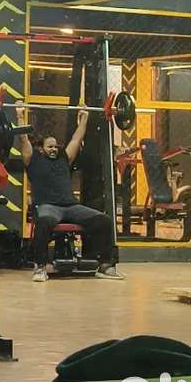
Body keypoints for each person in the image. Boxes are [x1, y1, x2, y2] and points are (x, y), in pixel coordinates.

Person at [17, 104, 123, 281]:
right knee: (43, 222)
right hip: (48, 206)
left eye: (55, 146)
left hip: (71, 207)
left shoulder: (64, 159)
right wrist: (20, 115)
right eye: (50, 147)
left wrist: (85, 117)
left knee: (104, 221)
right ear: (41, 149)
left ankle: (105, 266)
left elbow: (76, 139)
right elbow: (23, 140)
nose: (54, 149)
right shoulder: (32, 160)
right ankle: (40, 268)